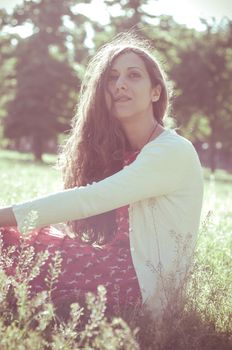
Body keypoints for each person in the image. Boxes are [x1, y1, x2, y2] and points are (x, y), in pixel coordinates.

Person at [0, 33, 203, 318]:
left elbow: (89, 200)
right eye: (112, 77)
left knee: (6, 234)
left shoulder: (171, 151)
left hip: (143, 290)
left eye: (134, 76)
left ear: (156, 92)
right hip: (117, 267)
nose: (120, 84)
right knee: (14, 238)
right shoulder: (123, 150)